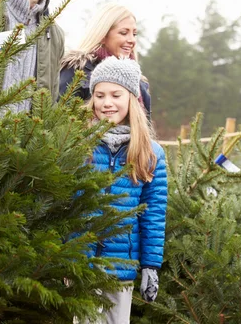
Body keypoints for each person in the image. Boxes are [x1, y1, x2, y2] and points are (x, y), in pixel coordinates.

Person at [84, 57, 167, 323]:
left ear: (132, 97)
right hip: (82, 268)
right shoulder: (80, 145)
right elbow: (66, 205)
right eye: (100, 95)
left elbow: (153, 215)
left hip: (121, 270)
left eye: (115, 94)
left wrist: (151, 266)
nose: (107, 102)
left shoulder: (151, 153)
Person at [59, 2, 152, 120]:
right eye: (124, 33)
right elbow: (61, 121)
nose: (132, 40)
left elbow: (146, 129)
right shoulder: (76, 71)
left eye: (134, 34)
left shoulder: (139, 83)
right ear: (103, 35)